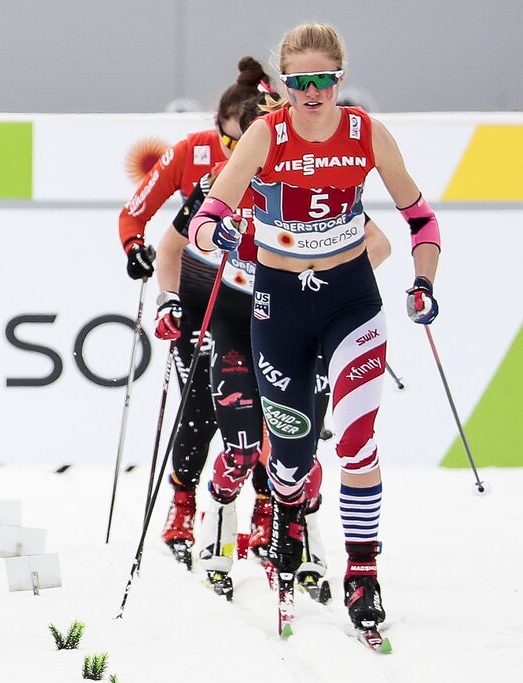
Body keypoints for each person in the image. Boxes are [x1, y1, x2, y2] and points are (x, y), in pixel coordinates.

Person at [191, 22, 440, 646]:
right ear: (285, 86)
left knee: (356, 443)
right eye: (298, 82)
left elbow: (421, 217)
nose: (310, 93)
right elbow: (203, 224)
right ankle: (285, 525)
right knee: (291, 460)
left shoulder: (365, 133)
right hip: (278, 308)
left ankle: (363, 573)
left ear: (339, 80)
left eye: (322, 81)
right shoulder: (264, 136)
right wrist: (217, 235)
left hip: (351, 302)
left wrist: (424, 281)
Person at [154, 90, 392, 601]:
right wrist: (170, 300)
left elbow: (380, 243)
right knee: (240, 446)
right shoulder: (215, 187)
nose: (240, 158)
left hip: (300, 316)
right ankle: (217, 511)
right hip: (239, 321)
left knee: (300, 446)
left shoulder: (302, 183)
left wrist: (331, 281)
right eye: (233, 145)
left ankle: (291, 529)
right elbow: (173, 246)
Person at [118, 57, 275, 568]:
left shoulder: (281, 158)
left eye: (247, 142)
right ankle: (183, 504)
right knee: (206, 400)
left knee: (271, 406)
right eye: (230, 143)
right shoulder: (193, 154)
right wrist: (134, 249)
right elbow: (137, 214)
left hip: (267, 292)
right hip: (204, 290)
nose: (237, 155)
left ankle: (266, 510)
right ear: (219, 129)